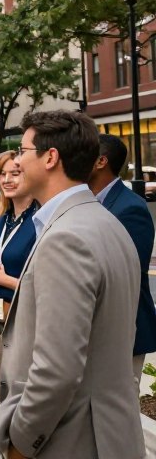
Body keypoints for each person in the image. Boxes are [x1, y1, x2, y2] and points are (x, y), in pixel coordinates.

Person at [0, 110, 143, 459]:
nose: (16, 160)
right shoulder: (104, 222)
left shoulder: (66, 238)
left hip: (73, 440)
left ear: (50, 157)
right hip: (107, 434)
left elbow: (57, 370)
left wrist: (20, 442)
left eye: (23, 150)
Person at [87, 133, 156, 383]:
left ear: (100, 162)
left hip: (124, 333)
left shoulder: (131, 208)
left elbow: (128, 273)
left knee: (118, 416)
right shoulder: (83, 201)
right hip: (93, 329)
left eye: (84, 153)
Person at [0, 152, 38, 393]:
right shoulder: (2, 220)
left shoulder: (40, 220)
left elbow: (48, 283)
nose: (7, 180)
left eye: (15, 173)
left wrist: (8, 281)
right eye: (2, 174)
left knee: (23, 403)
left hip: (25, 324)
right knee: (1, 399)